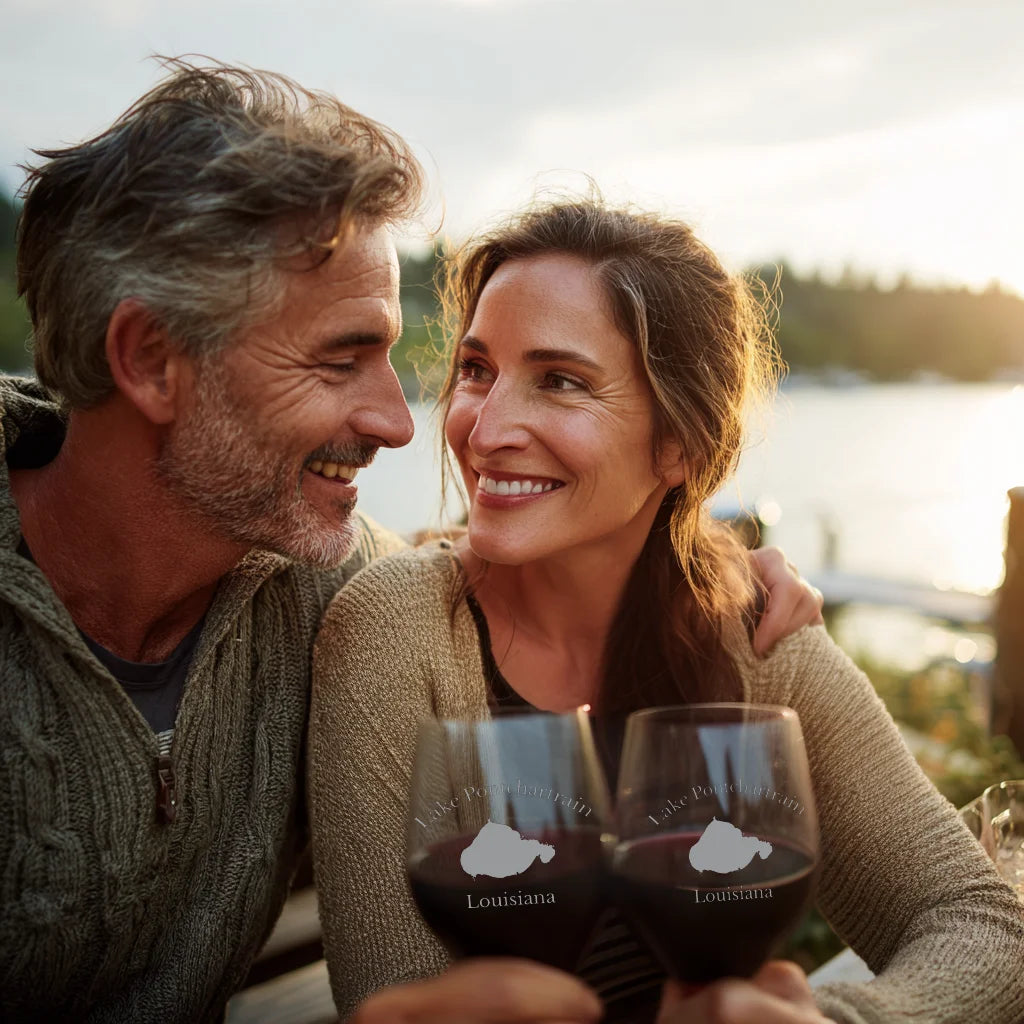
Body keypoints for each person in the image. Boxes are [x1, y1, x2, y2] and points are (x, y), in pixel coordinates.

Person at [0, 60, 820, 1021]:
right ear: (150, 360)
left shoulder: (320, 583)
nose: (401, 422)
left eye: (395, 356)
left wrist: (692, 556)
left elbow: (454, 570)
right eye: (340, 359)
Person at [309, 199, 1024, 1023]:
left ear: (679, 445)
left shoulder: (750, 629)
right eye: (477, 369)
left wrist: (833, 1022)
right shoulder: (397, 632)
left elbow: (978, 921)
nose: (485, 427)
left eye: (561, 381)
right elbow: (399, 1006)